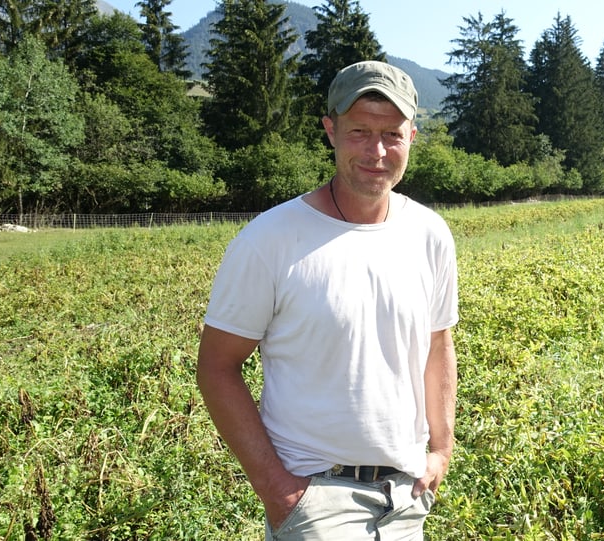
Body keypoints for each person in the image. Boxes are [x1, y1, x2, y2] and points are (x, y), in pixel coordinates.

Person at [197, 60, 459, 540]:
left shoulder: (430, 233)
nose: (377, 151)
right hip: (316, 500)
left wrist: (440, 449)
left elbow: (437, 343)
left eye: (392, 134)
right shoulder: (270, 240)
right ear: (330, 130)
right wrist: (277, 488)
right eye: (359, 131)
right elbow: (217, 366)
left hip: (405, 500)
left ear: (413, 137)